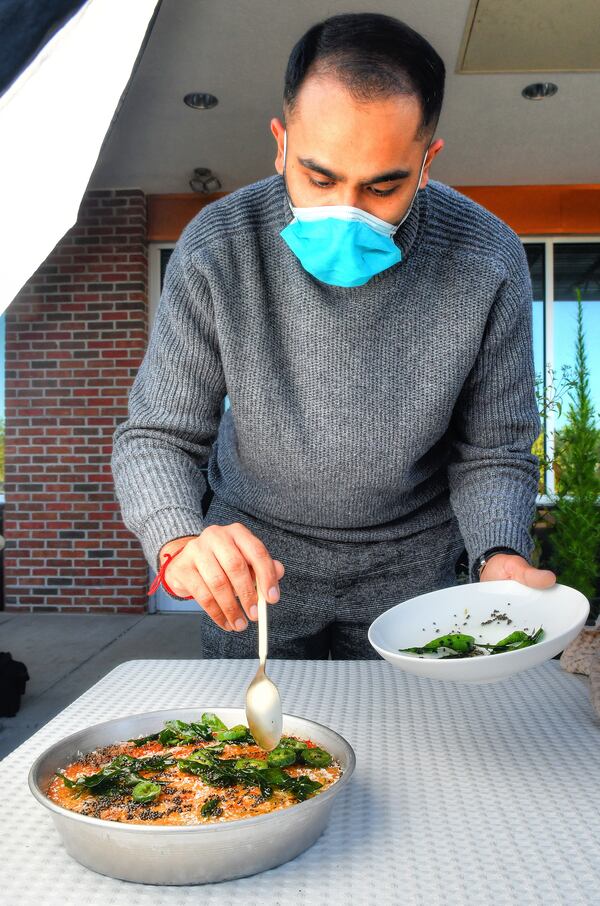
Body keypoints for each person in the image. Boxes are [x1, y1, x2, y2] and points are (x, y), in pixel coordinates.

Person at [111, 12, 555, 659]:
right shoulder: (217, 247)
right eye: (320, 178)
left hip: (416, 581)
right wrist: (178, 538)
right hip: (257, 575)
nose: (346, 209)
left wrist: (501, 552)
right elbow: (157, 436)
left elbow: (493, 448)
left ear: (426, 162)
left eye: (382, 186)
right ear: (282, 143)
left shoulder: (487, 256)